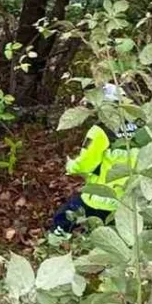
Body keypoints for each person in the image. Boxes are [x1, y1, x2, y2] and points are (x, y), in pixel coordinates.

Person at [51, 85, 140, 232]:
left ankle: (55, 241)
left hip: (99, 198)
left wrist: (70, 166)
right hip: (130, 201)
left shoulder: (100, 130)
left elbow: (86, 165)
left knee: (62, 219)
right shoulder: (139, 129)